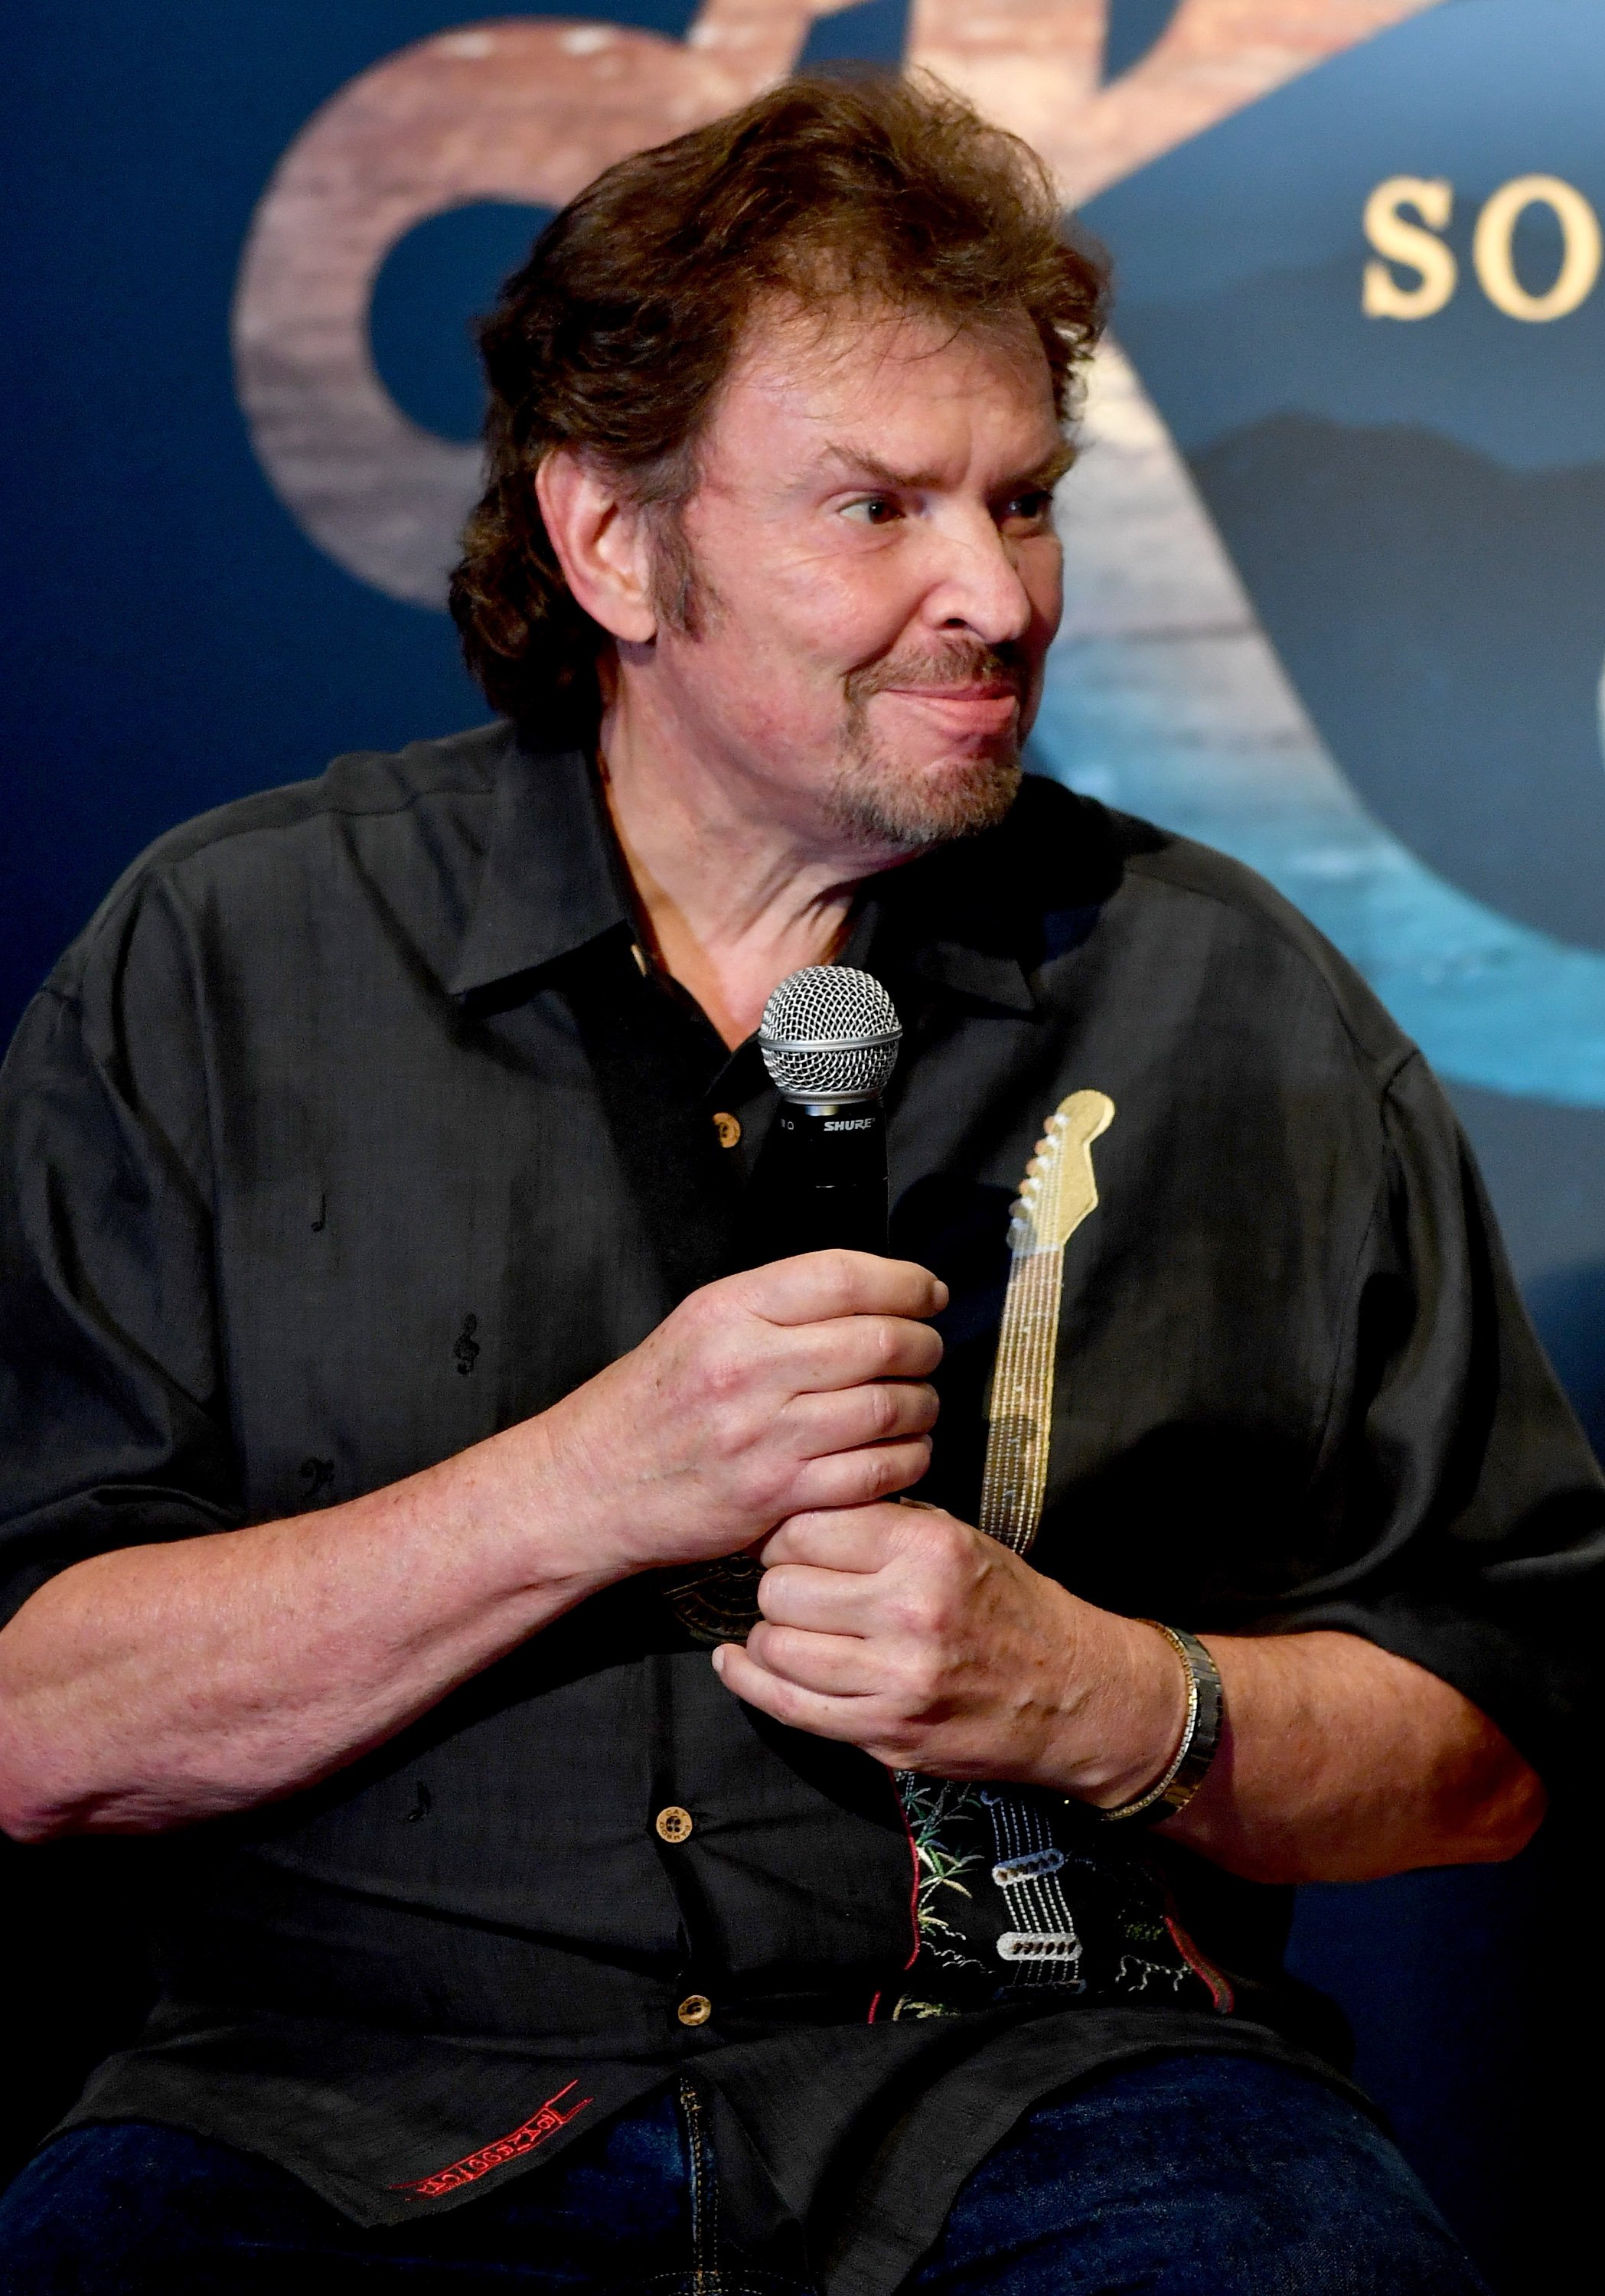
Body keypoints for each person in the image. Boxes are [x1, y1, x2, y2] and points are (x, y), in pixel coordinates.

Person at [0, 71, 1595, 2295]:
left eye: (1020, 503)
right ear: (611, 541)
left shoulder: (1230, 1001)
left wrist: (1109, 1701)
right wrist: (583, 1486)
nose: (991, 593)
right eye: (874, 508)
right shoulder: (232, 958)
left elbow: (1494, 1741)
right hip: (342, 2115)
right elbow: (33, 1728)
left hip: (1060, 2110)